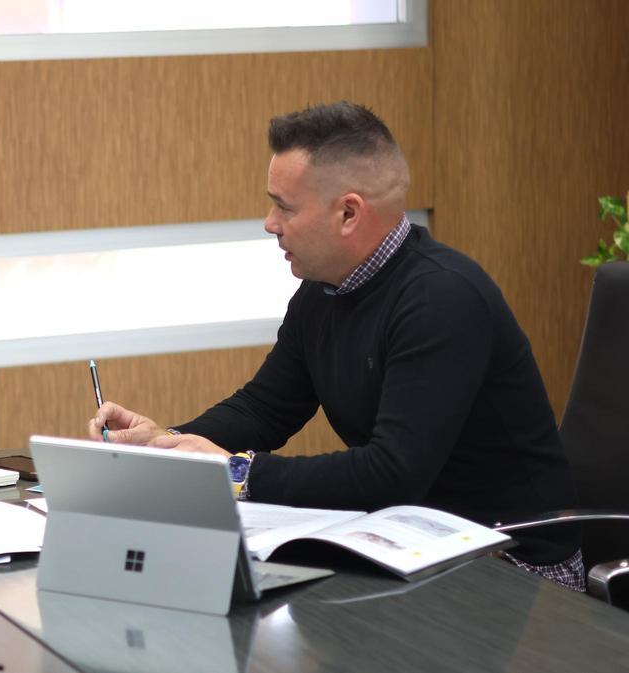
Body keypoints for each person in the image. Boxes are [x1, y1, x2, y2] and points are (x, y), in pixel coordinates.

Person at [89, 102, 583, 590]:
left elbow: (393, 474)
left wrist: (234, 472)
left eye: (284, 206)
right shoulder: (324, 290)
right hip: (413, 545)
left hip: (511, 561)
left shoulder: (442, 297)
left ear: (348, 212)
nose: (269, 223)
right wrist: (165, 445)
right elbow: (265, 408)